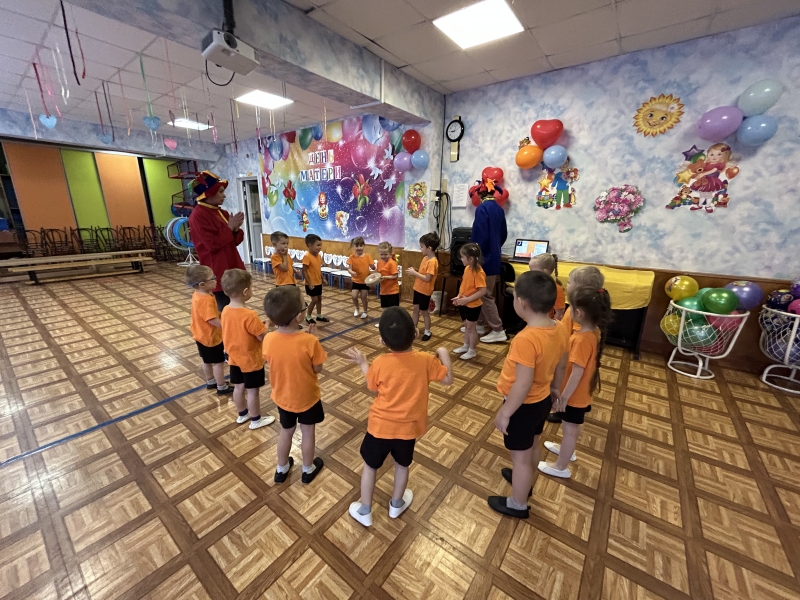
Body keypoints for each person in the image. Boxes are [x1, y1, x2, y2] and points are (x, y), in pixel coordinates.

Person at [345, 307, 453, 526]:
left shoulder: (380, 362)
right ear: (415, 333)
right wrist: (443, 353)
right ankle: (396, 505)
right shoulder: (425, 360)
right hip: (407, 430)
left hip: (379, 428)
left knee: (370, 467)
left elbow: (373, 387)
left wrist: (363, 363)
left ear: (382, 341)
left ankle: (365, 510)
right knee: (402, 466)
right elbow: (448, 379)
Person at [488, 271, 569, 519]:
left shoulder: (526, 339)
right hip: (541, 400)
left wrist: (505, 412)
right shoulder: (559, 327)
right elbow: (562, 363)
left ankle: (518, 503)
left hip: (522, 406)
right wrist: (555, 388)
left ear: (522, 303)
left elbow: (522, 385)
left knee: (521, 459)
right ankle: (524, 482)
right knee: (532, 445)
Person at [539, 286, 613, 478]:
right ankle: (567, 449)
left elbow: (577, 373)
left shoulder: (582, 339)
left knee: (570, 429)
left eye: (570, 307)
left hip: (574, 396)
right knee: (571, 427)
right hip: (580, 393)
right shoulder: (593, 332)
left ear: (578, 313)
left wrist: (564, 397)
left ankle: (560, 466)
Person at [263, 286, 326, 484]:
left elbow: (276, 356)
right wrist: (311, 339)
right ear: (299, 316)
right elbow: (317, 368)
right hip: (307, 397)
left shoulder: (269, 338)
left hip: (283, 396)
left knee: (286, 431)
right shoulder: (309, 341)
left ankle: (281, 469)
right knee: (307, 432)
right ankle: (307, 469)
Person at [547, 265, 607, 425]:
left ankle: (563, 408)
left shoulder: (582, 327)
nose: (567, 285)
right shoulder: (582, 314)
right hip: (569, 357)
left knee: (566, 383)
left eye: (570, 282)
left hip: (570, 360)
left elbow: (578, 365)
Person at [220, 269, 275, 430]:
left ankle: (242, 414)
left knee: (239, 387)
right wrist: (268, 324)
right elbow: (262, 336)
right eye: (251, 287)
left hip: (234, 358)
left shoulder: (225, 310)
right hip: (250, 360)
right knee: (252, 391)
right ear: (245, 292)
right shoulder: (249, 315)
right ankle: (256, 419)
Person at [188, 171, 246, 312]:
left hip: (232, 265)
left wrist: (235, 230)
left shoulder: (222, 212)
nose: (224, 195)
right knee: (225, 309)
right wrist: (230, 228)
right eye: (220, 192)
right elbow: (211, 244)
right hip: (217, 269)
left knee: (237, 305)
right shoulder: (198, 215)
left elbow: (234, 241)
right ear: (209, 193)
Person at [185, 265, 232, 396]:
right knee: (218, 363)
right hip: (211, 338)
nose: (216, 280)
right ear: (202, 284)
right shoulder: (205, 300)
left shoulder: (198, 294)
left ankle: (210, 381)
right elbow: (211, 319)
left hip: (200, 335)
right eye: (213, 278)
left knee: (206, 361)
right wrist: (226, 326)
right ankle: (221, 386)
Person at [471, 194, 507, 344]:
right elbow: (503, 234)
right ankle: (479, 324)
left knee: (484, 294)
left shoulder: (482, 208)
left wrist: (473, 255)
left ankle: (498, 329)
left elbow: (479, 235)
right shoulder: (499, 209)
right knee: (483, 293)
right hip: (494, 257)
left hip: (483, 258)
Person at [452, 243, 487, 361]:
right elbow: (464, 286)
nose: (461, 259)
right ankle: (466, 345)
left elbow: (482, 291)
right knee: (466, 326)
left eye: (462, 257)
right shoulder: (467, 268)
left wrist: (467, 299)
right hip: (464, 303)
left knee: (471, 328)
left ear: (471, 259)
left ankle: (472, 350)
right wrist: (458, 297)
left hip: (473, 305)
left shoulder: (479, 272)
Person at [407, 232, 439, 342]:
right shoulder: (425, 258)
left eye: (421, 246)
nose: (420, 249)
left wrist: (415, 273)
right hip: (418, 288)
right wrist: (416, 270)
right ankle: (413, 329)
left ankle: (427, 331)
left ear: (429, 248)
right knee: (415, 309)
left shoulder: (433, 262)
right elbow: (423, 273)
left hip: (425, 291)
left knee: (424, 312)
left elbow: (427, 278)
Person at [301, 233, 329, 325]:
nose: (320, 247)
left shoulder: (318, 256)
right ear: (310, 245)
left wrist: (323, 278)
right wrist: (309, 283)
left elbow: (318, 269)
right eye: (318, 245)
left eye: (320, 245)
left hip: (318, 282)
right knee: (314, 300)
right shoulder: (307, 256)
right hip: (311, 283)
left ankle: (319, 315)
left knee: (319, 299)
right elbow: (304, 271)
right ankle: (308, 316)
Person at [529, 253, 565, 320]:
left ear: (544, 272)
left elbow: (560, 312)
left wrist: (552, 325)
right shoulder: (535, 284)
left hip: (546, 324)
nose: (530, 274)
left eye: (533, 271)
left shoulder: (556, 289)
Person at [375, 242, 400, 328]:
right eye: (381, 254)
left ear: (390, 253)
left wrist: (385, 277)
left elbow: (395, 276)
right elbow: (378, 274)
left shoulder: (392, 263)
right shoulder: (379, 262)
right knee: (384, 309)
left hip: (393, 291)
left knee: (393, 310)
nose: (383, 256)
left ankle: (395, 324)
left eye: (386, 254)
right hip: (383, 290)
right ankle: (384, 323)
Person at [347, 237, 372, 319]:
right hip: (356, 281)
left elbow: (373, 266)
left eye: (361, 246)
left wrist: (373, 266)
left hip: (365, 281)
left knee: (364, 297)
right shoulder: (352, 257)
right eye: (357, 246)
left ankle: (365, 311)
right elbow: (349, 268)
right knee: (354, 296)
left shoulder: (367, 256)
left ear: (364, 246)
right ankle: (357, 308)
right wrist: (351, 272)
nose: (359, 248)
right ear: (353, 246)